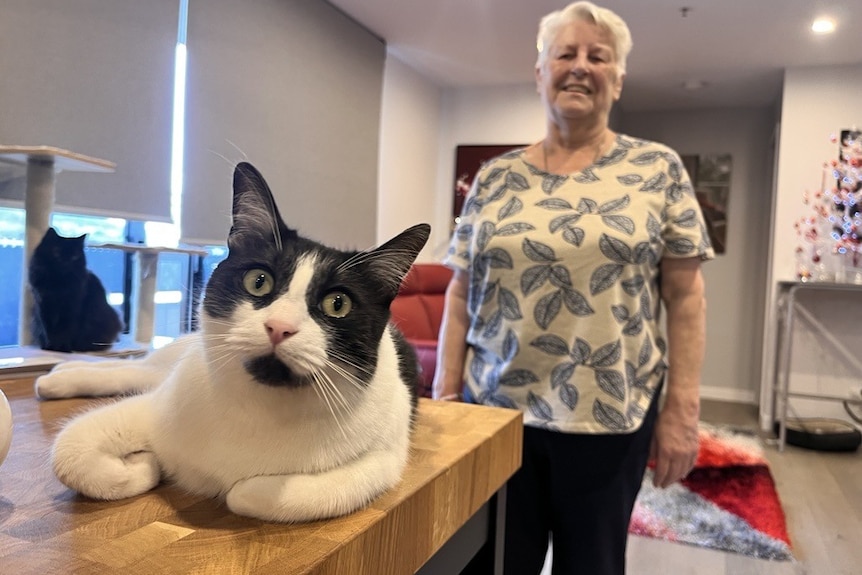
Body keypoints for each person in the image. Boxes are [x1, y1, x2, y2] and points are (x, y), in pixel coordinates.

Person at [431, 2, 714, 574]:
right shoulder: (495, 177)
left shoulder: (658, 169)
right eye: (565, 53)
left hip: (608, 419)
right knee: (492, 562)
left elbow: (686, 298)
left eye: (598, 56)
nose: (581, 66)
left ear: (618, 78)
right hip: (497, 415)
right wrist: (445, 394)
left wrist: (682, 410)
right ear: (540, 73)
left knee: (593, 565)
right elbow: (461, 290)